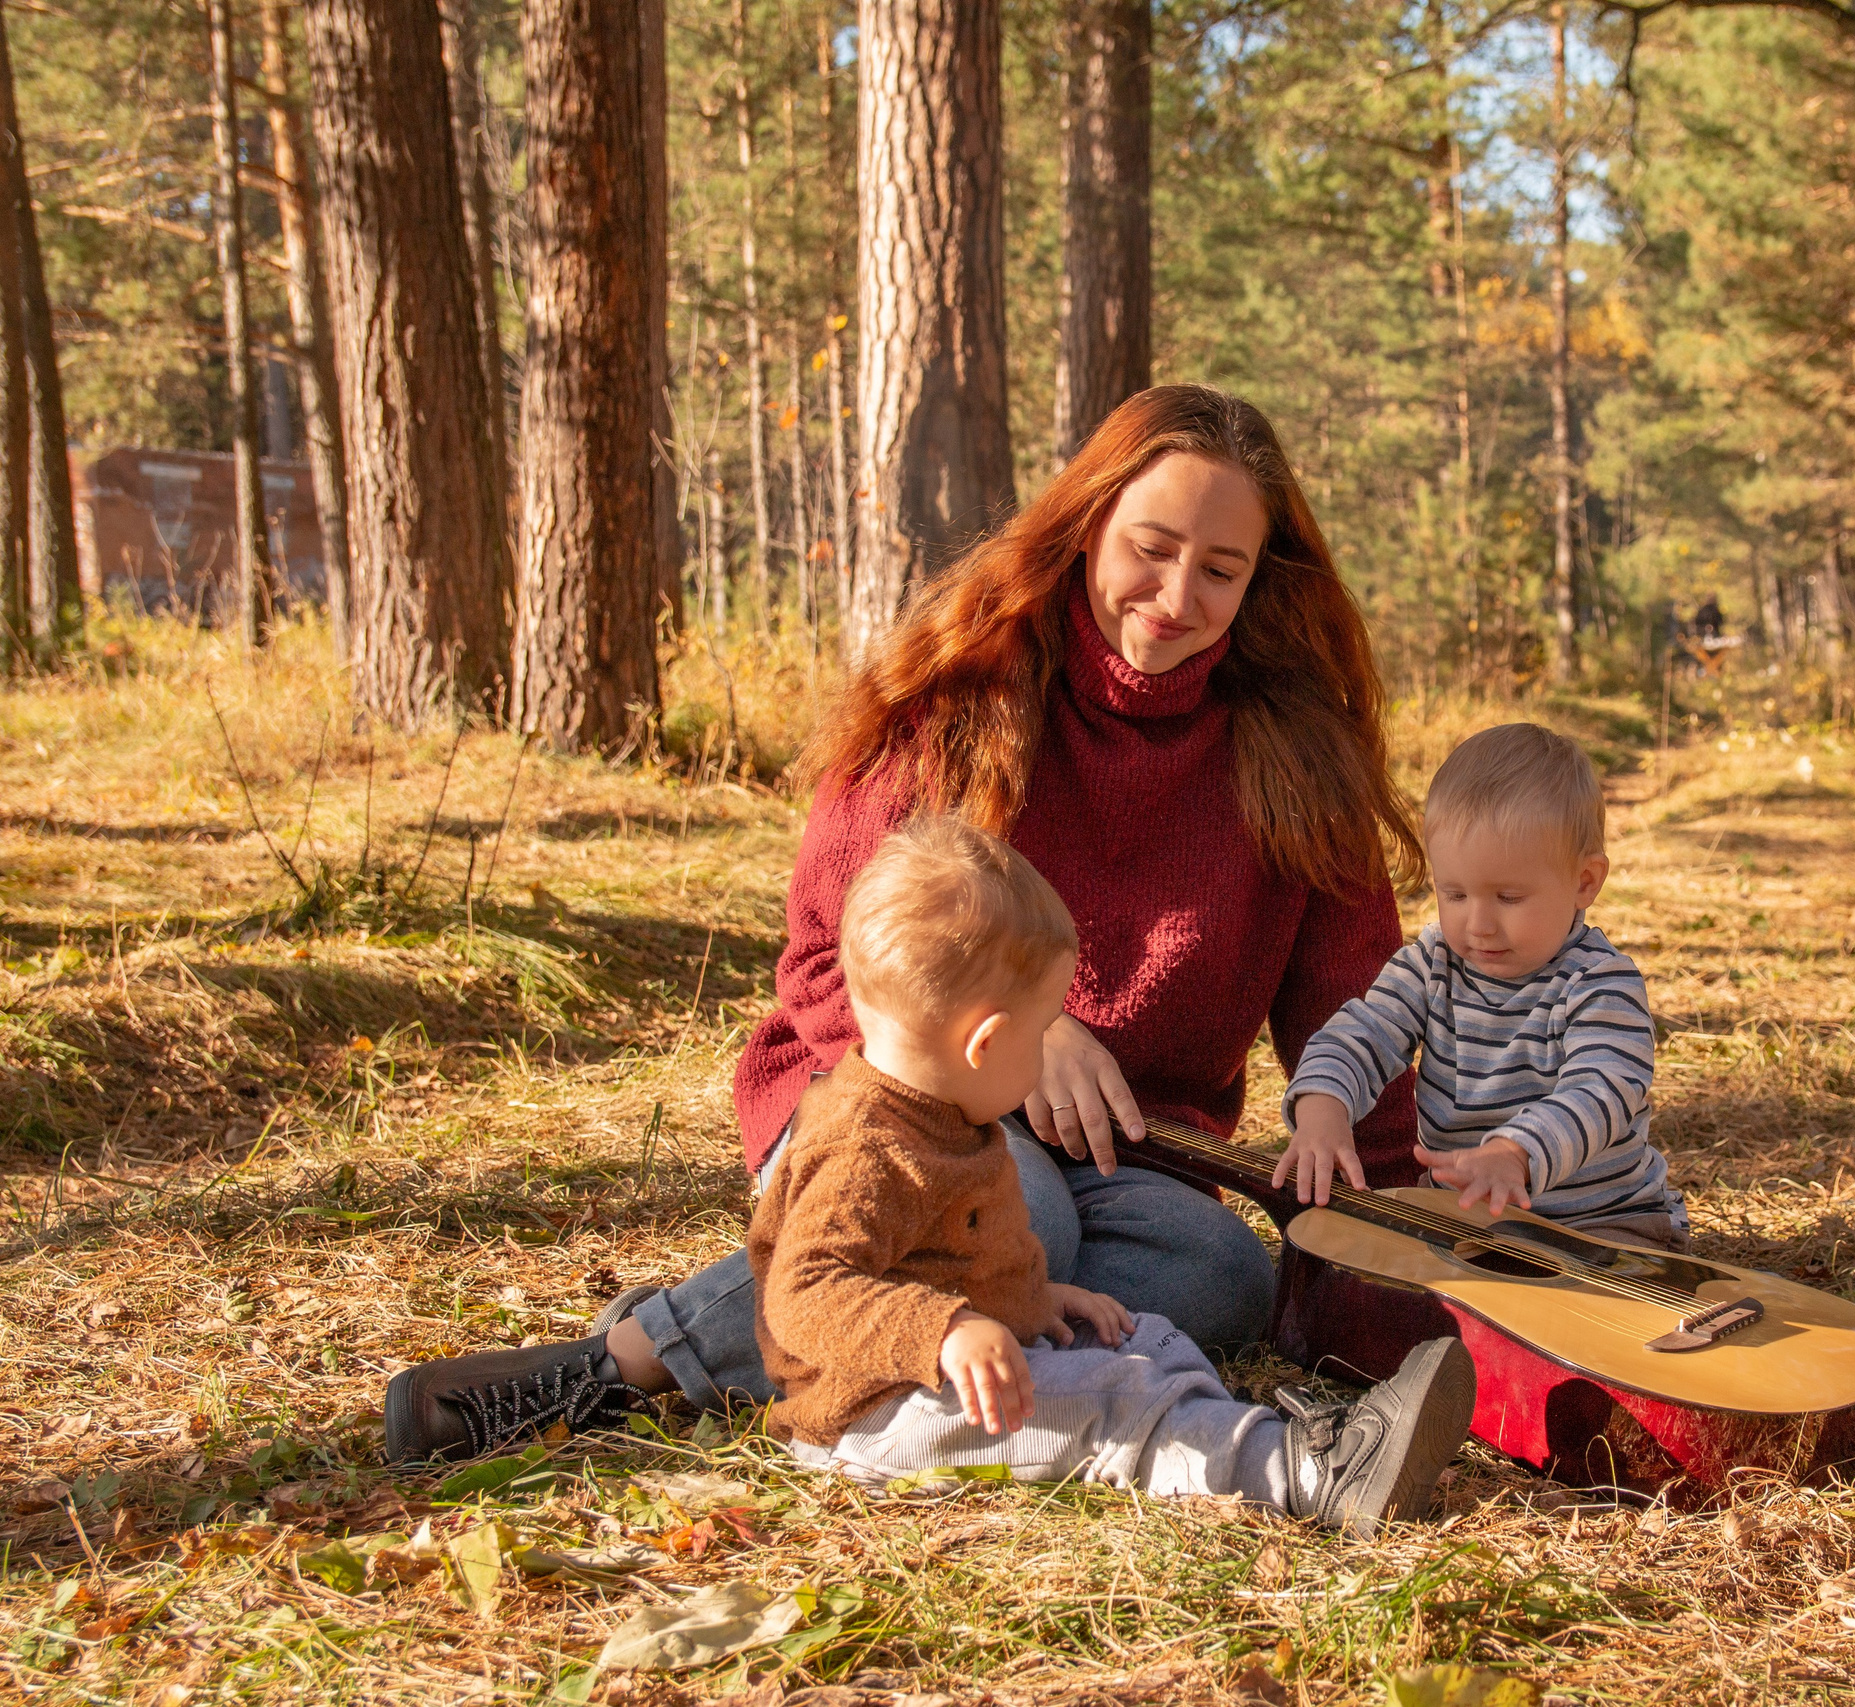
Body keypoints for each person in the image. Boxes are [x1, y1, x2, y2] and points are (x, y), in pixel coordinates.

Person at [383, 385, 1426, 1465]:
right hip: (894, 1101)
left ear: (1259, 584)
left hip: (1128, 1163)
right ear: (1085, 528)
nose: (1174, 595)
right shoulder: (960, 695)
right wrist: (1029, 1035)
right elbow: (828, 963)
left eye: (1220, 569)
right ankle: (626, 1365)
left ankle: (867, 1334)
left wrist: (1403, 1261)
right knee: (998, 1207)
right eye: (1150, 548)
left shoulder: (1296, 764)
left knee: (1219, 1274)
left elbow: (1361, 1025)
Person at [757, 814, 1476, 1536]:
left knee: (1144, 1336)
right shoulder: (863, 1146)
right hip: (879, 1413)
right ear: (987, 1042)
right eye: (1043, 1031)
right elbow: (803, 1292)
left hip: (944, 1378)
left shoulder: (948, 1114)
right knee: (1114, 1396)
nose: (1049, 1052)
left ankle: (1231, 1423)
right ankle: (1307, 1472)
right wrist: (946, 1330)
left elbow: (949, 1255)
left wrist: (1034, 1298)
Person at [1269, 722, 1686, 1251]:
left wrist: (1516, 1151)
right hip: (1460, 1217)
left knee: (1583, 1313)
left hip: (1598, 1224)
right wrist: (1323, 1109)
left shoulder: (1600, 983)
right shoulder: (1430, 965)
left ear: (1584, 882)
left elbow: (1601, 1090)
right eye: (1456, 894)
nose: (1479, 924)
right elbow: (1359, 1034)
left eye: (1508, 898)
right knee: (1360, 1286)